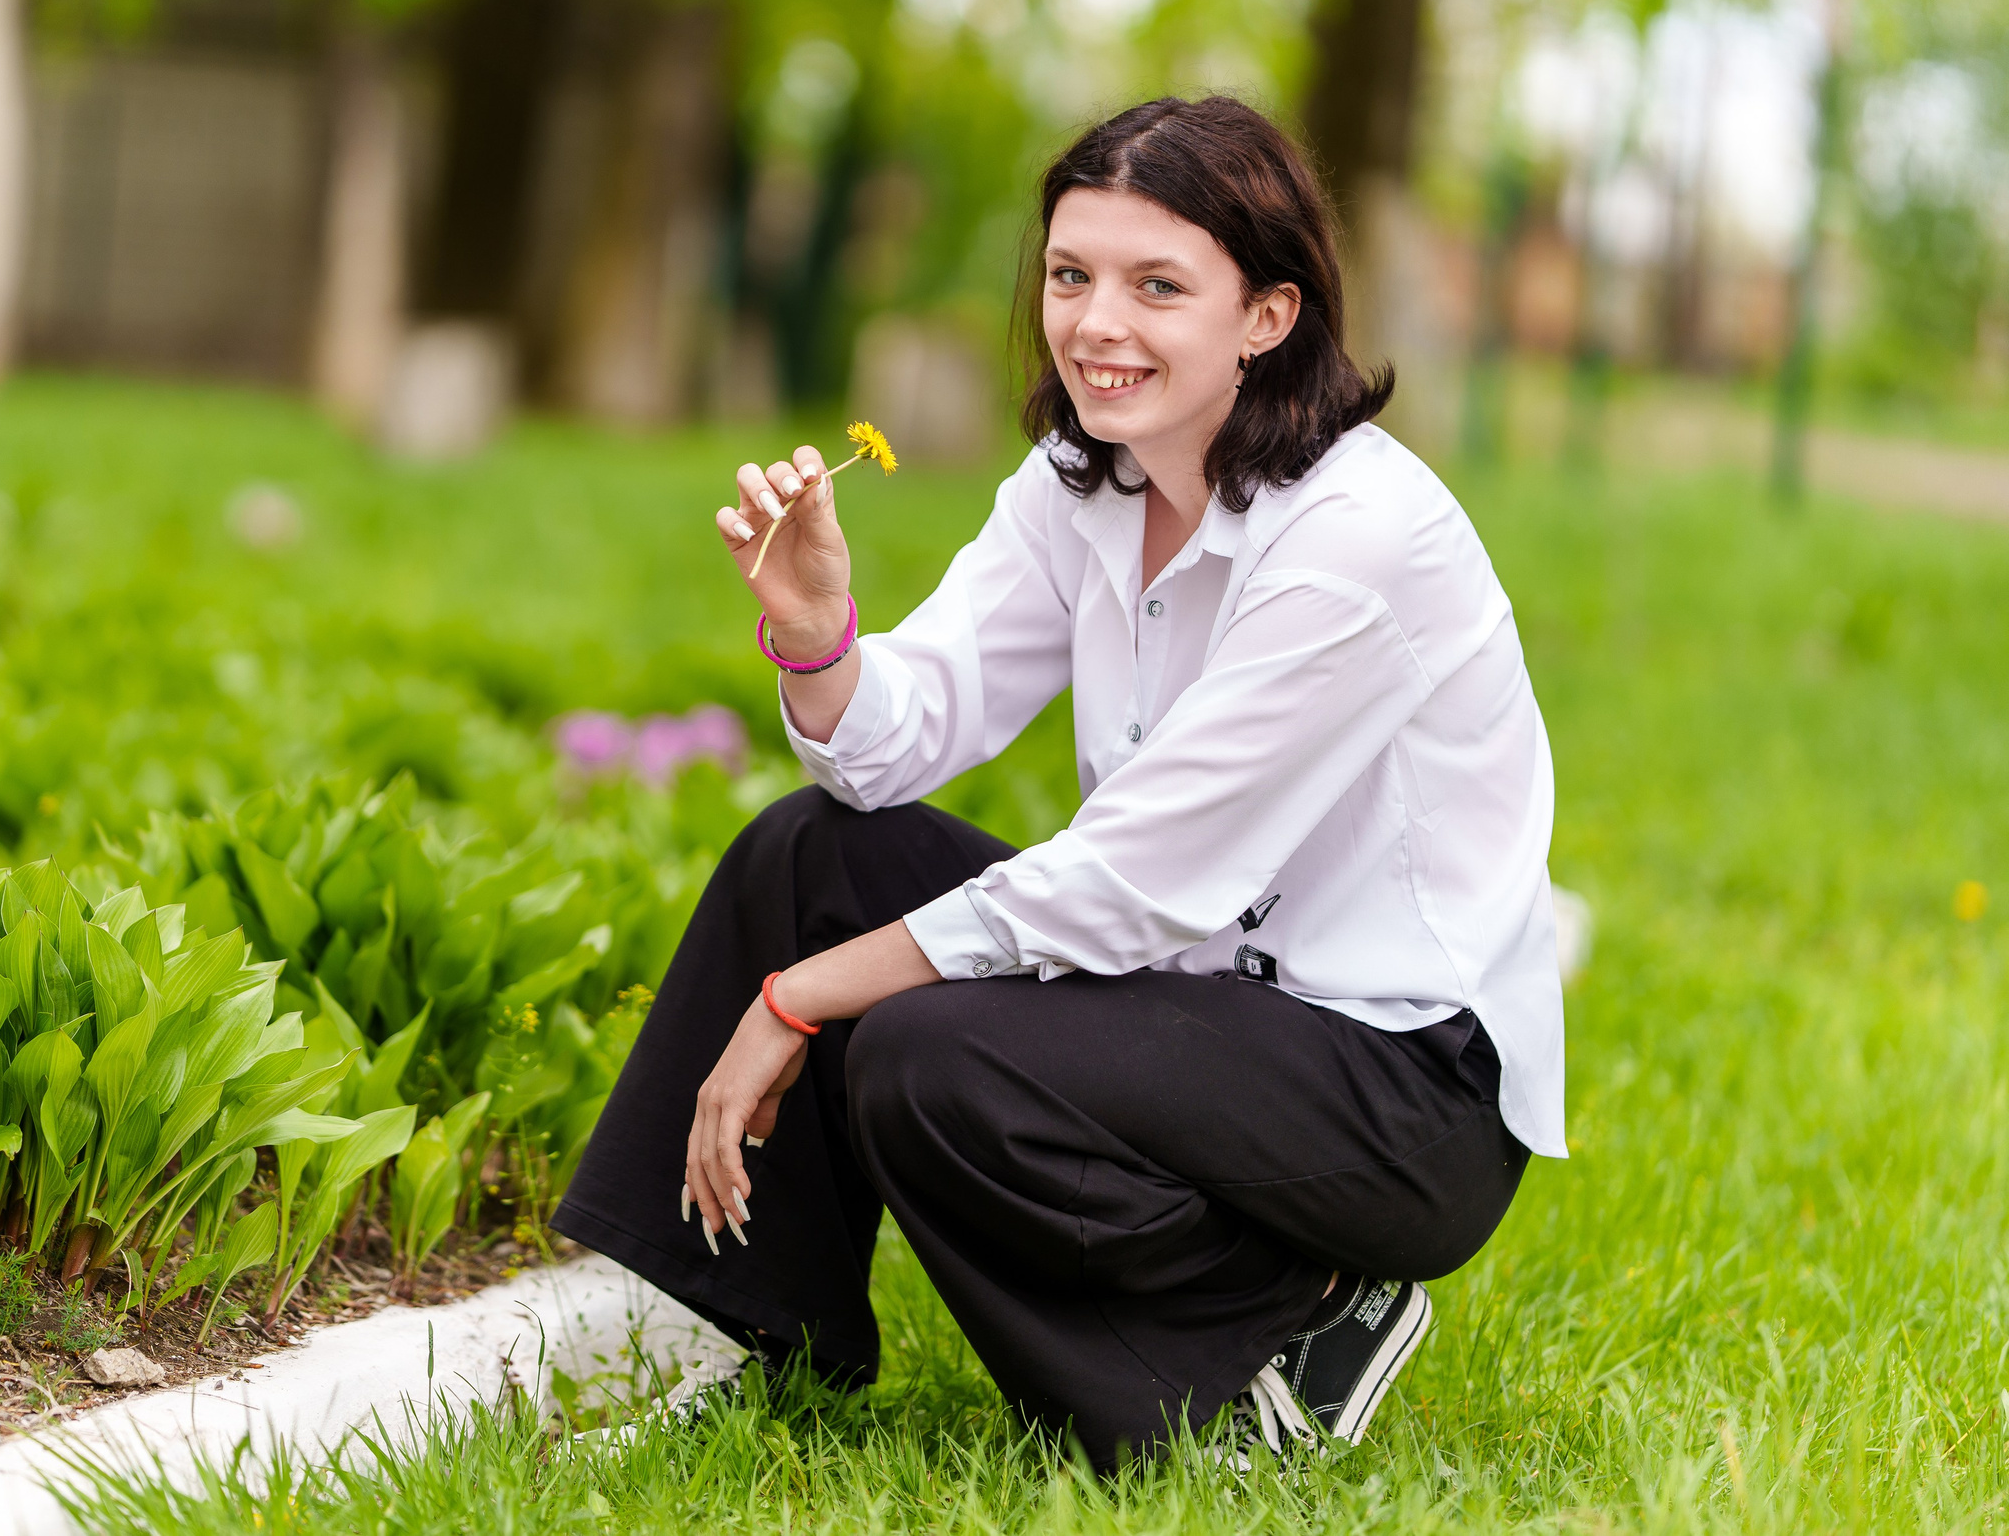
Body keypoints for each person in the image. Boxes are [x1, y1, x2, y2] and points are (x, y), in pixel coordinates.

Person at [549, 95, 1562, 1471]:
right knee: (810, 859)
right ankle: (747, 1332)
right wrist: (815, 627)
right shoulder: (1084, 483)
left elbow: (1137, 883)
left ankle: (1280, 1333)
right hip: (1204, 1012)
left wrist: (802, 999)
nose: (1095, 323)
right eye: (1073, 276)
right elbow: (901, 738)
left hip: (1397, 1088)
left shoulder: (1358, 539)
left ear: (1267, 315)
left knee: (922, 1051)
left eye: (1158, 286)